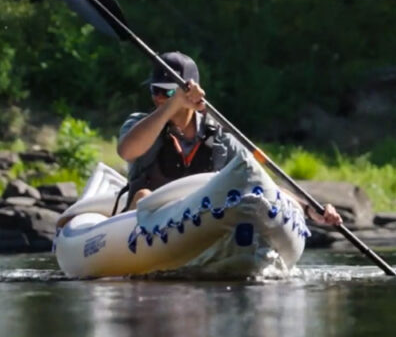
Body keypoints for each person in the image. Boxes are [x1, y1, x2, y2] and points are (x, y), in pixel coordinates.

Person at [116, 51, 342, 226]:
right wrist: (171, 105)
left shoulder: (221, 138)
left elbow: (262, 183)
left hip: (200, 219)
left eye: (166, 92)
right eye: (154, 90)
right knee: (143, 195)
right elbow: (127, 151)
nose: (158, 98)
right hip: (148, 221)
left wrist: (309, 209)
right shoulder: (139, 124)